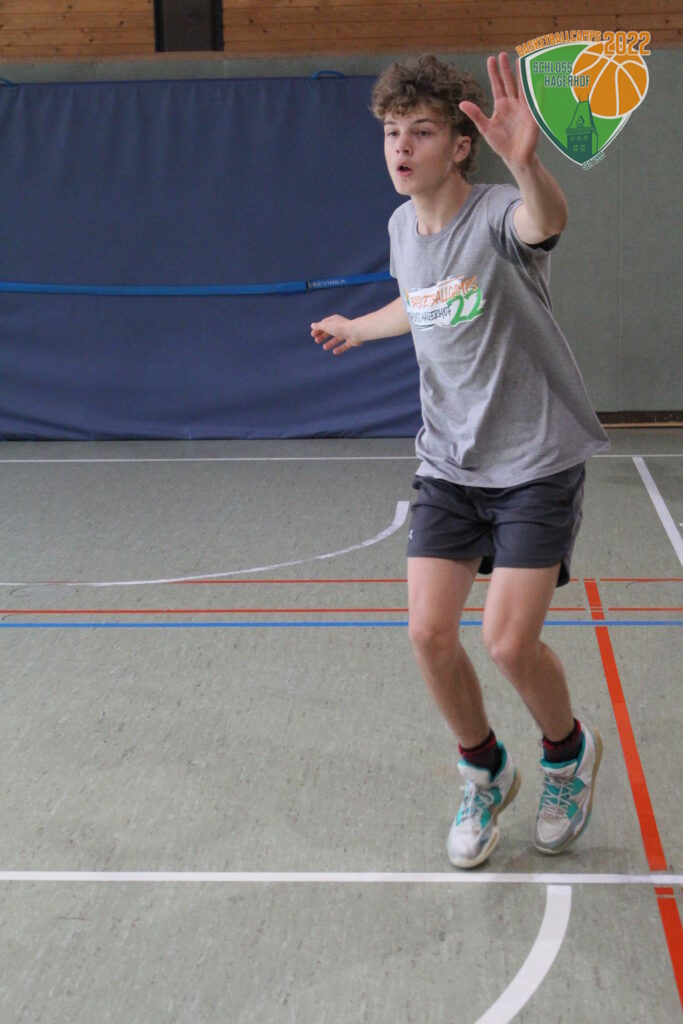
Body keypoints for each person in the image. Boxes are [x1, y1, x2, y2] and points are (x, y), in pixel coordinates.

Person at [310, 53, 608, 869]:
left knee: (507, 643)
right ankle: (485, 771)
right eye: (390, 133)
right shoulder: (401, 227)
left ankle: (566, 755)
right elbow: (423, 302)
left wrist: (527, 163)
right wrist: (358, 327)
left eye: (421, 132)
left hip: (535, 460)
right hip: (450, 461)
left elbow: (543, 222)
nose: (401, 148)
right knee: (429, 634)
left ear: (460, 146)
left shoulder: (499, 212)